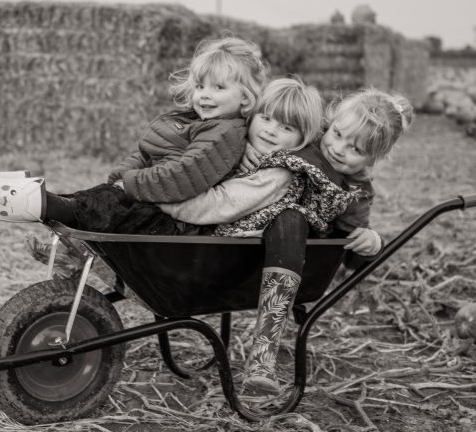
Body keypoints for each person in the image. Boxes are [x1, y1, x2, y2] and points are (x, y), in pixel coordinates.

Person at [162, 86, 414, 395]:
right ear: (328, 122)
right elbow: (269, 130)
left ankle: (264, 351)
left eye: (356, 150)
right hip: (232, 237)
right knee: (289, 213)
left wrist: (370, 241)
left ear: (376, 159)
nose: (338, 148)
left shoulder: (356, 193)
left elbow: (346, 248)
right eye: (336, 134)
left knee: (292, 217)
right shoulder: (304, 142)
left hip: (287, 257)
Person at [0, 35, 268, 235]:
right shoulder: (187, 120)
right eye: (200, 86)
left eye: (218, 87)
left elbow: (185, 175)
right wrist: (119, 177)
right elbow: (144, 151)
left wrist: (128, 184)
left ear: (245, 97)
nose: (204, 95)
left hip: (168, 222)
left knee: (78, 209)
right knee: (79, 201)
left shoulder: (226, 133)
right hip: (146, 199)